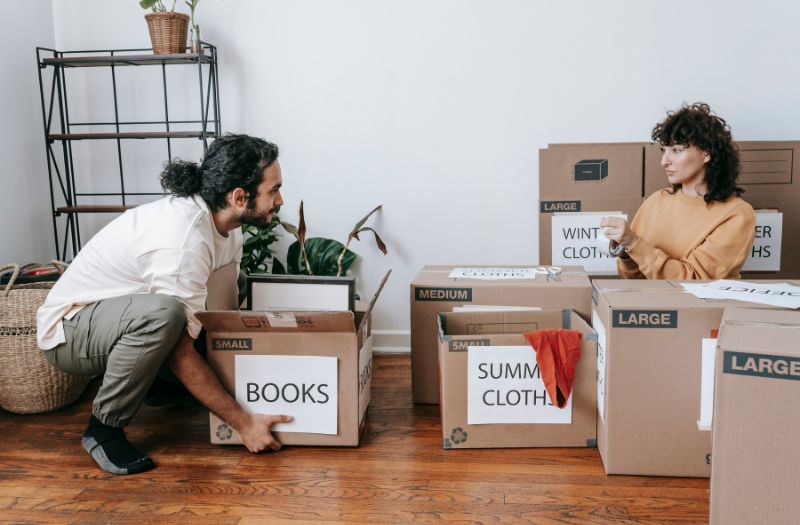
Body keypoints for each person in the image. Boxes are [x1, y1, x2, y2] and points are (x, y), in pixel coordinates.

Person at [37, 134, 292, 475]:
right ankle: (103, 429)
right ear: (239, 197)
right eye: (273, 190)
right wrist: (241, 422)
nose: (280, 199)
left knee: (237, 287)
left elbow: (219, 311)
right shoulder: (184, 241)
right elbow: (179, 348)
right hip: (70, 331)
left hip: (121, 316)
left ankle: (158, 387)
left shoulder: (228, 227)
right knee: (165, 315)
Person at [601, 102, 755, 279]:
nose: (664, 161)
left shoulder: (737, 215)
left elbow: (695, 281)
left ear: (707, 153)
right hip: (650, 304)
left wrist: (634, 244)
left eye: (676, 150)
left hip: (698, 305)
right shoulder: (656, 201)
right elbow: (633, 278)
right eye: (663, 150)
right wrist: (626, 252)